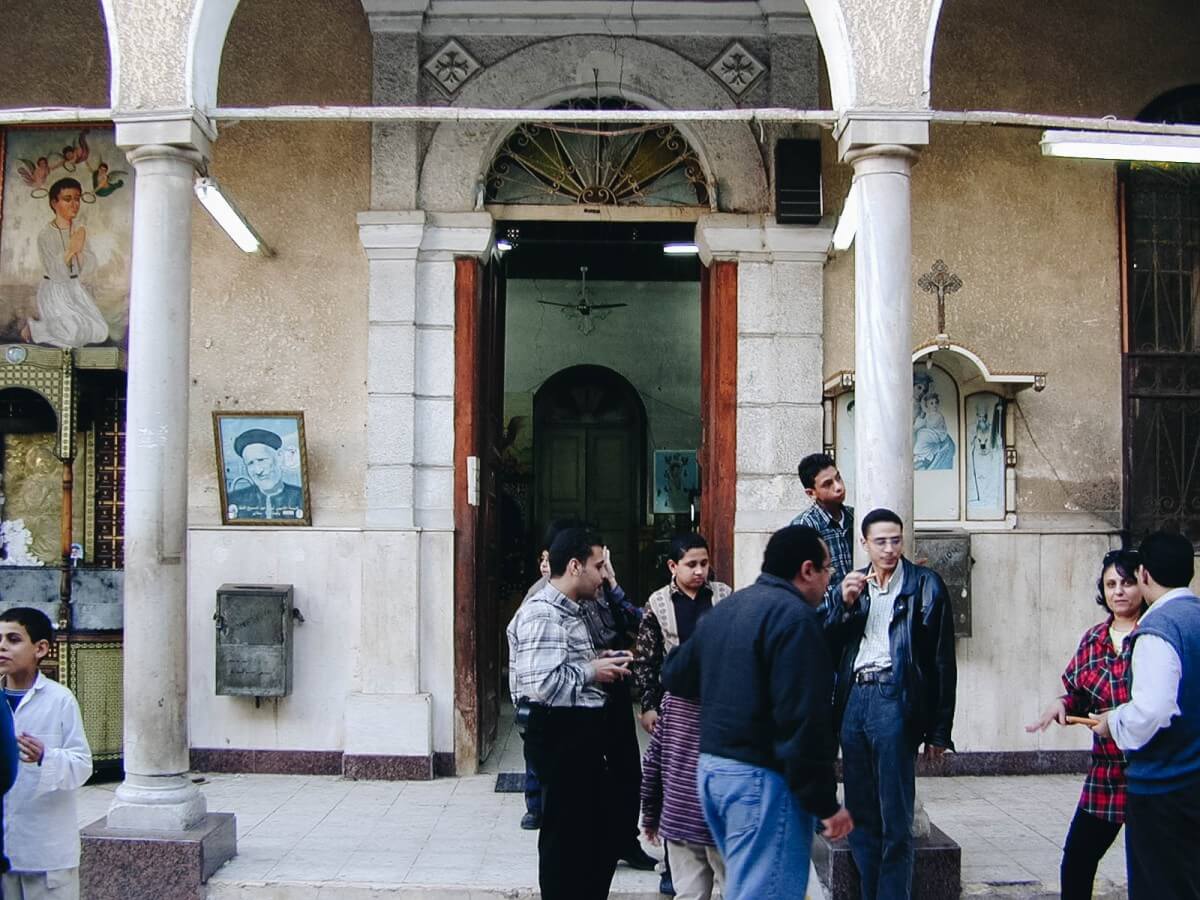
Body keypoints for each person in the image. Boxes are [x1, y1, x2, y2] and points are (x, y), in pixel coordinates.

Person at [662, 524, 854, 900]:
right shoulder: (796, 620)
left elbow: (675, 673)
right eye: (828, 569)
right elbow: (804, 723)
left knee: (748, 887)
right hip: (762, 780)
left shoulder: (728, 608)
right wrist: (824, 803)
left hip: (714, 773)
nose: (830, 579)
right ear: (807, 570)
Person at [826, 508, 957, 900]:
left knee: (895, 815)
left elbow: (941, 662)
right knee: (860, 813)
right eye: (880, 541)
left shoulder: (925, 585)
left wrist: (939, 732)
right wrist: (844, 604)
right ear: (864, 543)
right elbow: (827, 646)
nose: (888, 549)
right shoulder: (854, 585)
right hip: (854, 699)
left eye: (895, 540)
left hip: (894, 697)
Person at [506, 527, 637, 900]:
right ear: (576, 566)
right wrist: (592, 670)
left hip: (581, 740)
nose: (604, 576)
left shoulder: (571, 610)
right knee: (567, 847)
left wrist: (599, 660)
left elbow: (561, 666)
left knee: (595, 837)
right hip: (562, 739)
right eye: (599, 566)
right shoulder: (543, 614)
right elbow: (542, 686)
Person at [1025, 549, 1145, 900]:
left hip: (1149, 769)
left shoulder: (1155, 634)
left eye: (1127, 583)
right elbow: (1079, 694)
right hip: (1106, 771)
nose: (1118, 591)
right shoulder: (1094, 638)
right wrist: (1061, 704)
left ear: (1144, 584)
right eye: (1111, 584)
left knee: (1149, 867)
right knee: (1077, 860)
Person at [1092, 531, 1200, 899]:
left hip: (1164, 788)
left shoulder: (1158, 630)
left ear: (1144, 575)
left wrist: (1114, 721)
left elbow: (1153, 710)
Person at [635, 533, 731, 897]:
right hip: (675, 704)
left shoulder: (723, 596)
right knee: (674, 779)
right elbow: (647, 659)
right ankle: (670, 865)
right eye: (691, 564)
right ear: (673, 566)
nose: (699, 571)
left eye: (704, 563)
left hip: (717, 705)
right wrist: (649, 704)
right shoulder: (658, 603)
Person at [1, 607, 94, 900]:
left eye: (13, 639)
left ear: (40, 648)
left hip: (47, 852)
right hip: (3, 851)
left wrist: (46, 756)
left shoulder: (60, 700)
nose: (2, 646)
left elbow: (82, 766)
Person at [22, 177, 110, 349]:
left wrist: (80, 252)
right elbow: (55, 272)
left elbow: (90, 265)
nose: (74, 204)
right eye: (67, 199)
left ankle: (56, 328)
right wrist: (70, 250)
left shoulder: (78, 230)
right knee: (74, 333)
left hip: (74, 288)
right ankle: (35, 329)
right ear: (54, 203)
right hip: (54, 290)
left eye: (77, 199)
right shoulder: (45, 235)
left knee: (101, 332)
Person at [790, 453, 855, 619]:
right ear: (811, 493)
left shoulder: (855, 516)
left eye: (838, 478)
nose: (838, 487)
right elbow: (802, 586)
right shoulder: (804, 527)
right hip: (825, 620)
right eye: (828, 484)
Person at [226, 428, 305, 520]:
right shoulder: (234, 499)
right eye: (250, 463)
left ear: (279, 457)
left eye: (262, 460)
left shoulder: (301, 497)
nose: (258, 470)